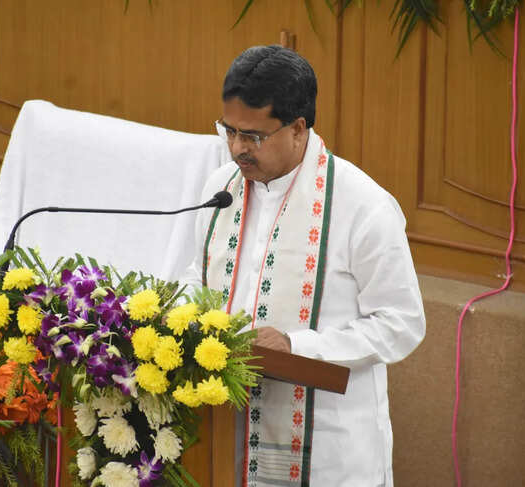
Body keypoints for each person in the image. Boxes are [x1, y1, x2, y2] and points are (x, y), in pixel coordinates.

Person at [181, 45, 426, 486]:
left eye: (253, 136)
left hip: (328, 450)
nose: (237, 149)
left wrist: (298, 347)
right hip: (227, 436)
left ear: (298, 128)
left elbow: (401, 323)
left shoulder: (363, 206)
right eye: (229, 131)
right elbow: (194, 278)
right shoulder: (222, 189)